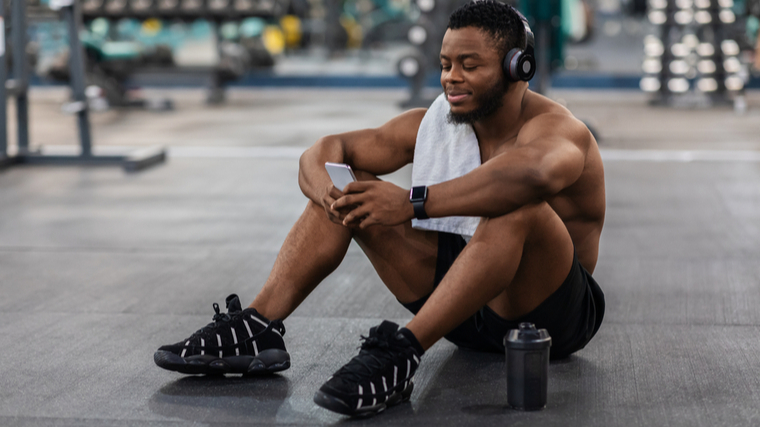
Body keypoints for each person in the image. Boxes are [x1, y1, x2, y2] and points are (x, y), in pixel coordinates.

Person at [154, 0, 606, 417]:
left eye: (470, 66)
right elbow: (327, 152)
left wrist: (411, 205)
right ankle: (259, 326)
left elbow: (534, 176)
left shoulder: (559, 130)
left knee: (519, 207)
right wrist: (327, 193)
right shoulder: (433, 123)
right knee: (350, 187)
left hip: (549, 316)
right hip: (466, 308)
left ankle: (400, 354)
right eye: (446, 64)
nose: (451, 77)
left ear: (517, 69)